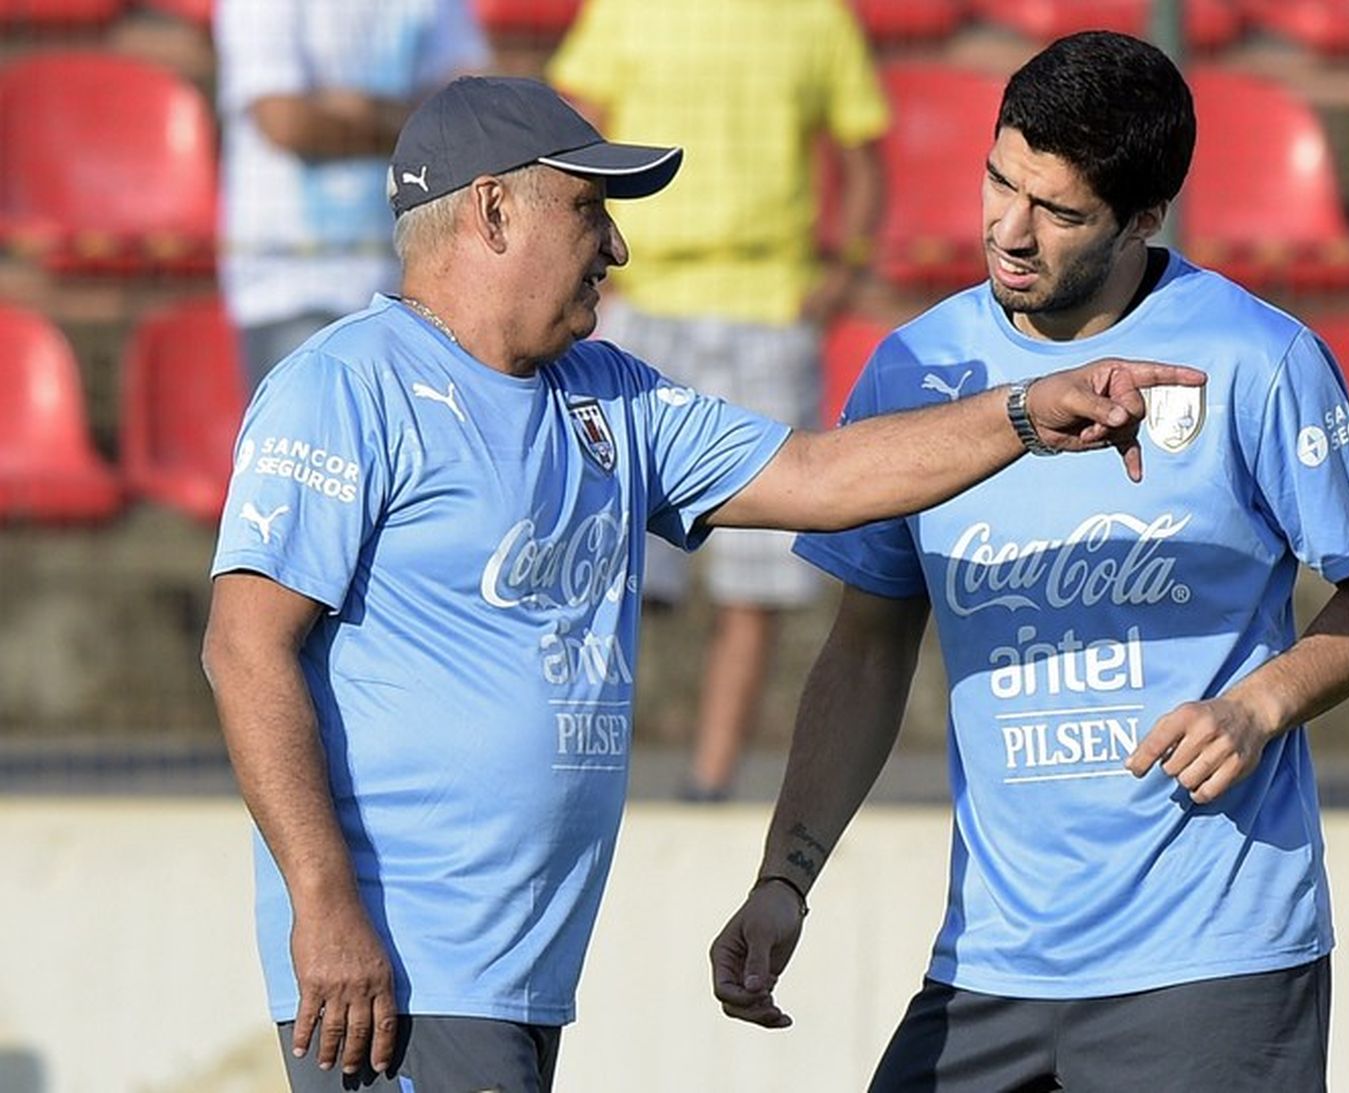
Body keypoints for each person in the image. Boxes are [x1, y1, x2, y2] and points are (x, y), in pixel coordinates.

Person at [199, 74, 1204, 1092]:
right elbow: (244, 647)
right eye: (589, 209)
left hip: (515, 981)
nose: (617, 245)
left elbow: (819, 474)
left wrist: (1026, 413)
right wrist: (324, 906)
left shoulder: (609, 394)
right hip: (397, 969)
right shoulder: (343, 385)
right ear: (492, 211)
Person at [710, 31, 1349, 1093]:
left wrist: (1256, 706)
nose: (1008, 230)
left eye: (1056, 211)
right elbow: (866, 646)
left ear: (1142, 219)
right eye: (999, 181)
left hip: (1209, 964)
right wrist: (786, 875)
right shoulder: (916, 367)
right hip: (987, 967)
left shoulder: (1253, 358)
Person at [548, 0, 890, 801]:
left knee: (752, 576)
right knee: (603, 561)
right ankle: (595, 769)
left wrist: (846, 267)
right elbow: (572, 133)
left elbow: (865, 156)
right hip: (647, 300)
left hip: (752, 305)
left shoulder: (811, 17)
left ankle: (708, 775)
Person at [214, 0, 490, 391]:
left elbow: (468, 112)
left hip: (408, 283)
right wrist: (413, 123)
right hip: (290, 277)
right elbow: (286, 122)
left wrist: (356, 110)